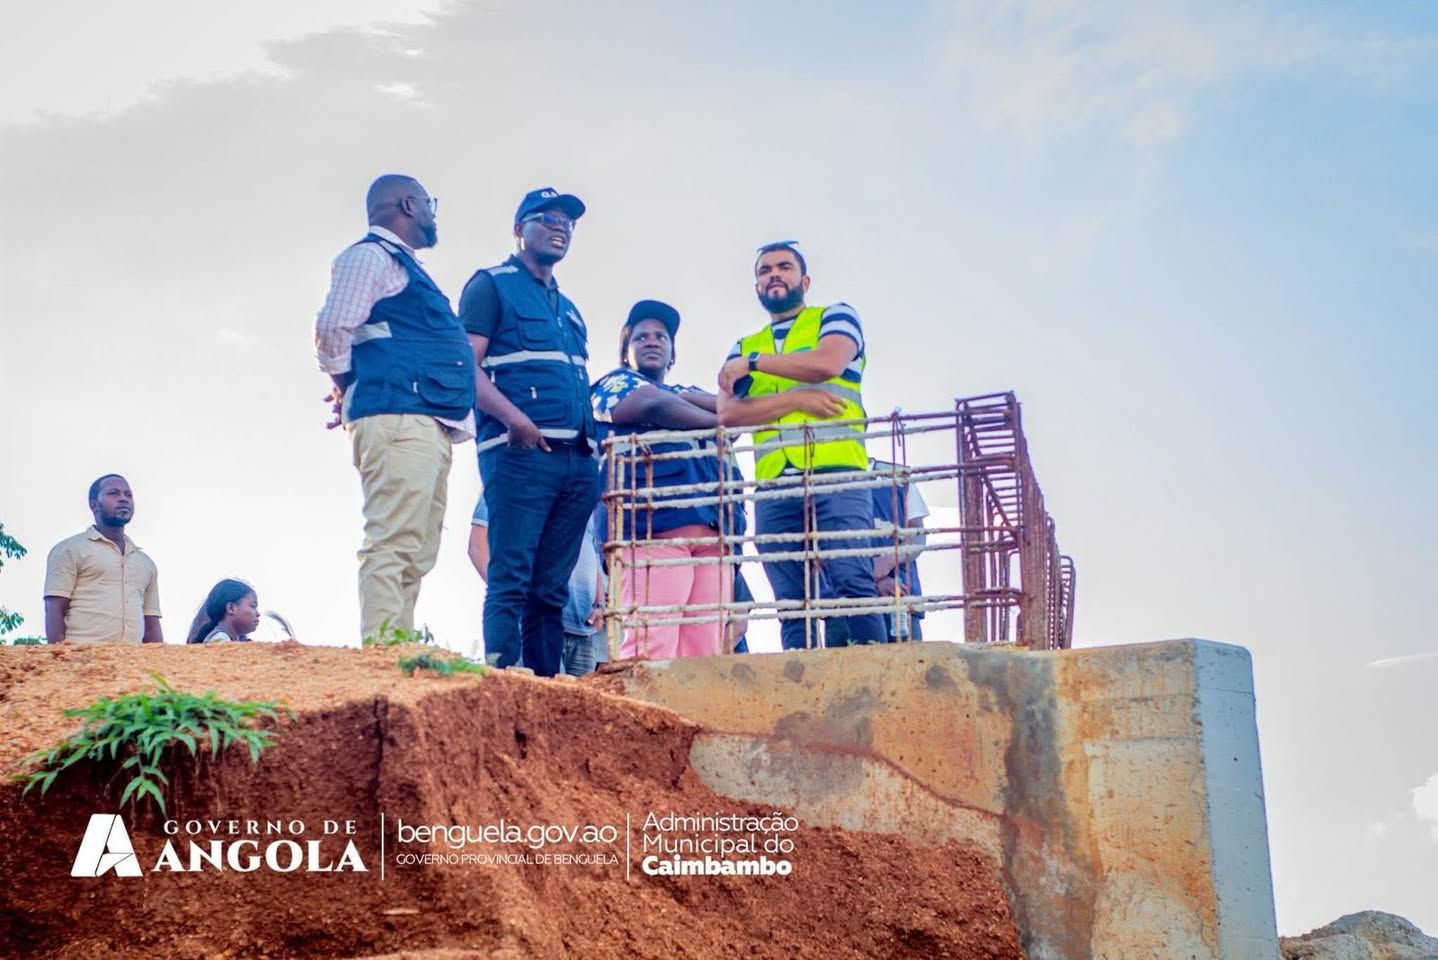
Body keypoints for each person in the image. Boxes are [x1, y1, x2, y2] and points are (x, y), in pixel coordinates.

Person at [314, 174, 475, 644]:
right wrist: (345, 384)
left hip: (422, 419)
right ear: (408, 204)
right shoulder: (370, 256)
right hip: (399, 416)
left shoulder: (400, 264)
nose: (432, 213)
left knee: (417, 548)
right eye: (428, 203)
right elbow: (332, 327)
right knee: (394, 541)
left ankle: (395, 649)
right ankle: (383, 652)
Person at [717, 241, 885, 650]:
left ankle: (879, 682)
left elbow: (827, 362)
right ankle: (804, 693)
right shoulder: (743, 344)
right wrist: (795, 399)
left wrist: (755, 365)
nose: (774, 274)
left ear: (804, 280)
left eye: (784, 267)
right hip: (775, 484)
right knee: (792, 601)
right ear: (756, 285)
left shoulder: (834, 316)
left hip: (837, 473)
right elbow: (729, 414)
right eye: (764, 270)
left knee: (851, 580)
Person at [461, 188, 598, 677]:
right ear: (520, 229)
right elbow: (465, 368)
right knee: (511, 577)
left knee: (551, 588)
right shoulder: (491, 286)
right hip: (520, 455)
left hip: (577, 463)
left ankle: (545, 683)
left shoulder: (571, 309)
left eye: (568, 222)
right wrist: (514, 418)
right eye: (547, 218)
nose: (560, 227)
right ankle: (502, 677)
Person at [592, 300, 738, 659]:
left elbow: (737, 409)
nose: (652, 341)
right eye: (641, 337)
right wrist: (718, 420)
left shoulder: (683, 393)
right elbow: (651, 406)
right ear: (626, 353)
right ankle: (640, 717)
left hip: (711, 535)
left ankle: (684, 718)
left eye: (661, 336)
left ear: (672, 352)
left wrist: (702, 403)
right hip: (651, 533)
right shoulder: (613, 384)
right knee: (651, 646)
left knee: (704, 653)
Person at [469, 492, 604, 676]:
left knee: (580, 703)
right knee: (537, 698)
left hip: (584, 630)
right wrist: (511, 595)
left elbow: (592, 553)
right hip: (535, 622)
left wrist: (600, 605)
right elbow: (478, 545)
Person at [43, 474, 163, 644]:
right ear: (93, 505)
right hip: (82, 662)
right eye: (114, 493)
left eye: (128, 495)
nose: (123, 499)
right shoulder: (70, 549)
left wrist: (158, 665)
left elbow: (151, 624)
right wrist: (58, 659)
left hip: (131, 665)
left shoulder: (145, 563)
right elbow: (54, 608)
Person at [870, 457, 929, 642]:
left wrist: (887, 561)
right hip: (845, 604)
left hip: (901, 598)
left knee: (909, 666)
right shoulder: (824, 480)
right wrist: (871, 578)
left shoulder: (899, 477)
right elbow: (822, 542)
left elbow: (917, 535)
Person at [186, 579, 260, 644]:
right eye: (253, 606)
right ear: (231, 608)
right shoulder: (220, 641)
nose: (258, 614)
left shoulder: (233, 641)